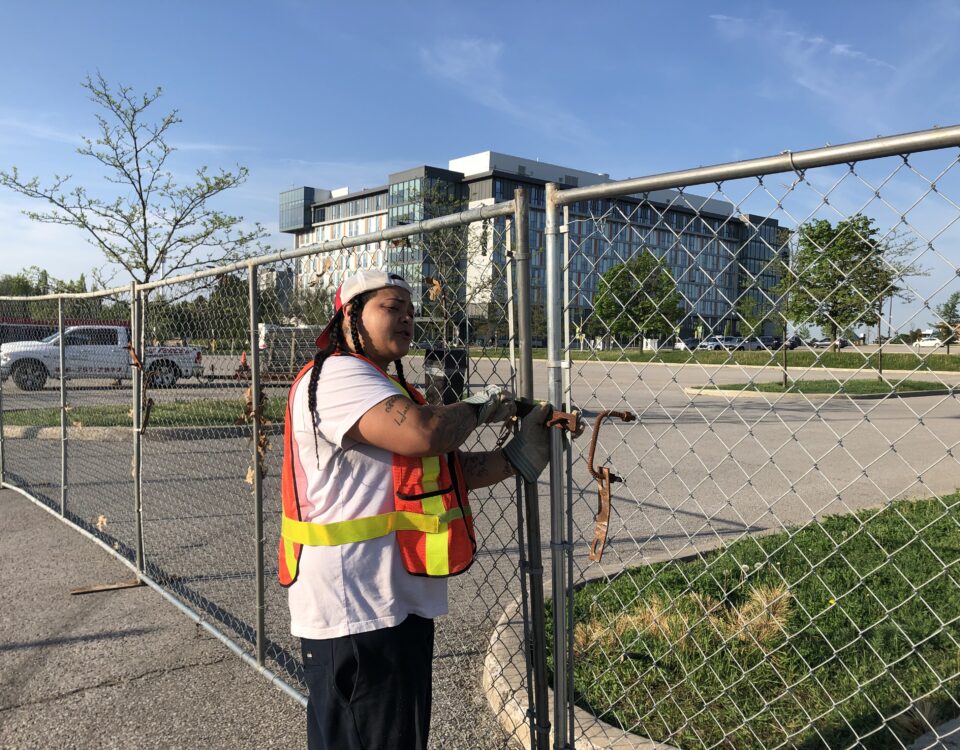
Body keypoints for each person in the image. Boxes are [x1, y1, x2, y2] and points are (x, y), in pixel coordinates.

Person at [278, 269, 552, 750]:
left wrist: (515, 459)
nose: (406, 318)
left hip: (383, 603)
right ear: (350, 317)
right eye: (390, 308)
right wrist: (482, 406)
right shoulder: (341, 376)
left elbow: (435, 471)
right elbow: (426, 433)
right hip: (356, 611)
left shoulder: (377, 384)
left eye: (410, 310)